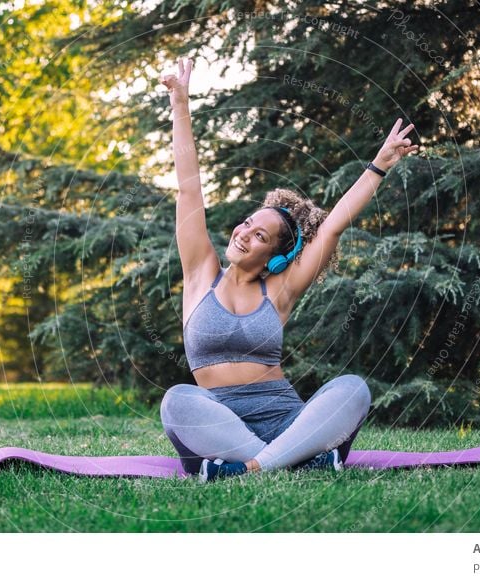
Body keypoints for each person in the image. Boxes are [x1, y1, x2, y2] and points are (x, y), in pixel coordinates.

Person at [158, 57, 419, 482]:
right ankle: (295, 461)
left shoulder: (279, 289)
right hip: (221, 428)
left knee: (353, 389)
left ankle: (250, 469)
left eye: (260, 236)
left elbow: (332, 225)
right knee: (176, 401)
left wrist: (379, 166)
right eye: (247, 224)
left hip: (286, 421)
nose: (245, 233)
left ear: (277, 257)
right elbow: (189, 187)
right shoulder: (201, 272)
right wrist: (179, 103)